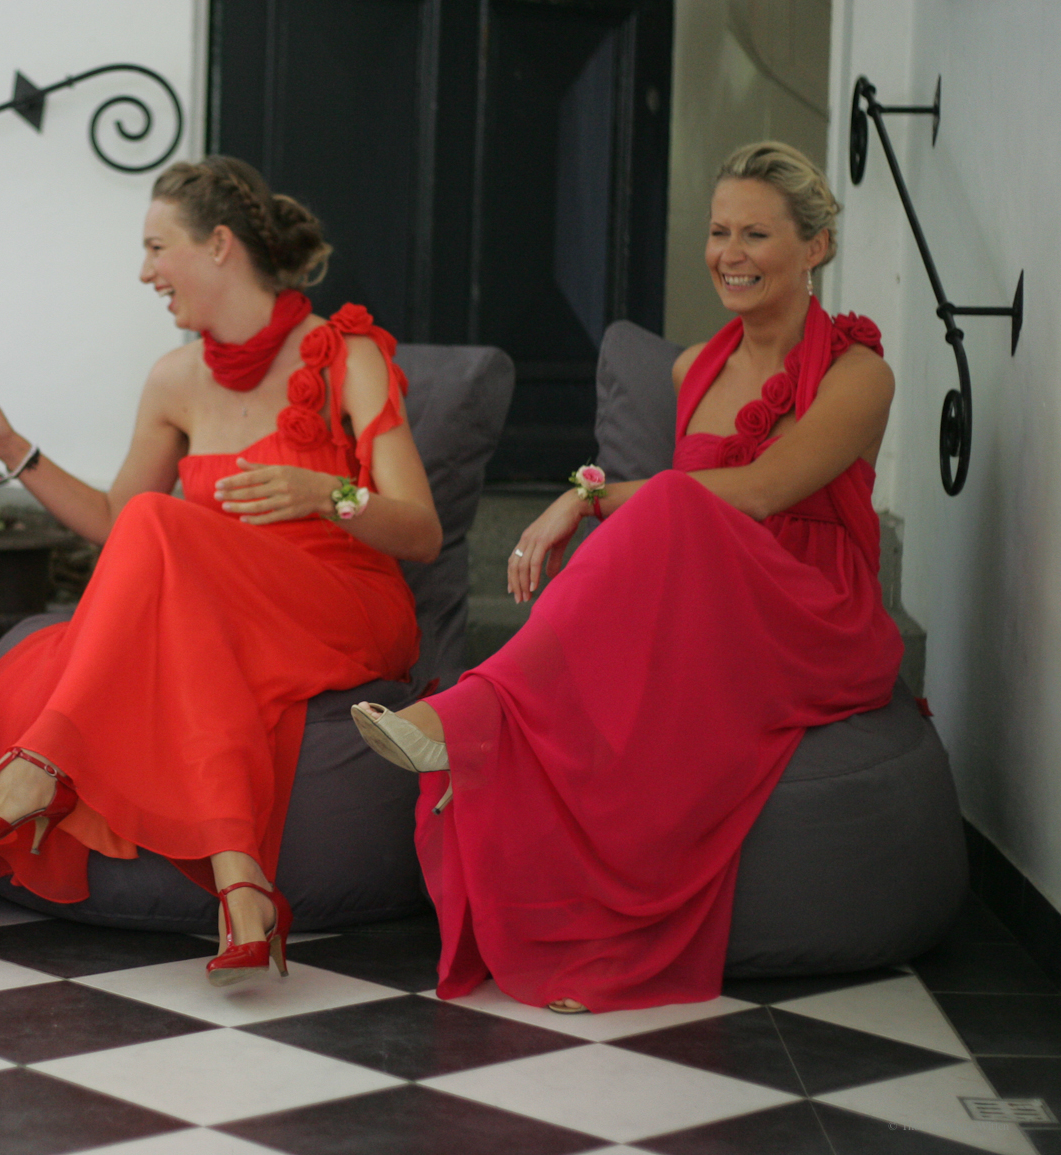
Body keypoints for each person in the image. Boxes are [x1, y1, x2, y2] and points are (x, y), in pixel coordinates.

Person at [353, 141, 903, 1013]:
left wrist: (585, 495)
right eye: (718, 232)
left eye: (755, 234)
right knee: (591, 700)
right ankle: (581, 940)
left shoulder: (860, 374)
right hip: (712, 604)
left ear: (816, 246)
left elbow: (761, 490)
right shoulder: (695, 368)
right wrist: (596, 498)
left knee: (671, 504)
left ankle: (473, 708)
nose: (729, 254)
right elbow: (677, 529)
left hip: (814, 611)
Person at [0, 155, 441, 985]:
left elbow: (421, 531)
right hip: (220, 613)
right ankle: (243, 890)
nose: (145, 271)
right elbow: (118, 523)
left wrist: (326, 492)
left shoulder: (347, 353)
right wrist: (13, 448)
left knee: (160, 527)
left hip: (341, 602)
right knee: (154, 567)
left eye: (157, 248)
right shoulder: (172, 380)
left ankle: (42, 765)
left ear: (219, 244)